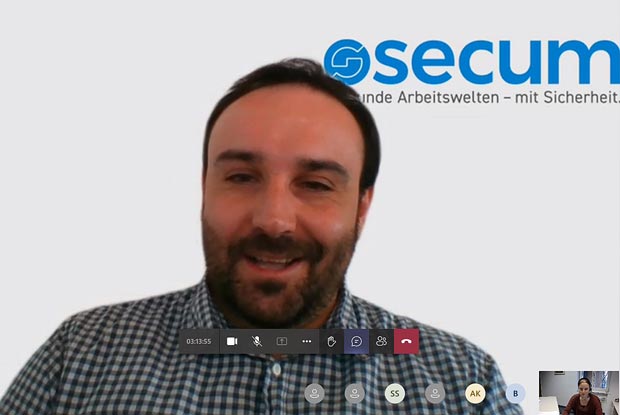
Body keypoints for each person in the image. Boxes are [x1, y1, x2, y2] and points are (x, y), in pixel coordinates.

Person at [0, 58, 523, 414]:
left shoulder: (462, 378)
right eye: (242, 177)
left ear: (362, 207)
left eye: (316, 185)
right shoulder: (81, 355)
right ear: (204, 188)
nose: (274, 220)